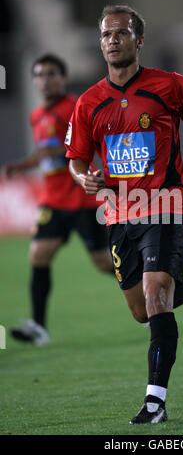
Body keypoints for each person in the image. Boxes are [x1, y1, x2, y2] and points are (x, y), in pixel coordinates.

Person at [66, 5, 183, 424]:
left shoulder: (169, 86)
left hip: (166, 204)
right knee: (143, 310)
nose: (112, 40)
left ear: (139, 41)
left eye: (121, 33)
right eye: (105, 34)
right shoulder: (89, 103)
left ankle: (155, 402)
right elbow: (77, 159)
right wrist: (84, 177)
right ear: (100, 42)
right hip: (121, 215)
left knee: (158, 293)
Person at [3, 54, 113, 346]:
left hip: (81, 200)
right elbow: (45, 155)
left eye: (52, 74)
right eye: (39, 74)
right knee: (39, 255)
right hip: (52, 201)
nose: (45, 79)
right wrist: (24, 165)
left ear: (63, 79)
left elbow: (81, 147)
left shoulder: (75, 108)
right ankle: (39, 327)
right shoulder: (37, 116)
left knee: (104, 263)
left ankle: (148, 292)